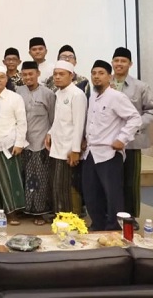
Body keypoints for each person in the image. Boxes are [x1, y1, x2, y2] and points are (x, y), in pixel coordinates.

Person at [83, 60, 141, 231]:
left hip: (109, 153)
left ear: (110, 76)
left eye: (101, 73)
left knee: (112, 195)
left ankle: (114, 227)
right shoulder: (93, 96)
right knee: (91, 193)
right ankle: (98, 224)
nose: (96, 76)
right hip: (91, 152)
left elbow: (135, 118)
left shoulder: (116, 97)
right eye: (94, 73)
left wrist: (122, 138)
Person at [111, 47, 153, 220]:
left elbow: (152, 111)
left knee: (130, 182)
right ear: (112, 63)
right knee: (112, 181)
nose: (119, 64)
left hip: (131, 142)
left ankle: (130, 217)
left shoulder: (140, 87)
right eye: (116, 60)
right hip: (109, 142)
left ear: (130, 64)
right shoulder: (104, 84)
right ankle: (113, 214)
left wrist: (135, 127)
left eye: (123, 61)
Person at [15, 61, 55, 224]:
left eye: (31, 74)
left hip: (40, 143)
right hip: (22, 143)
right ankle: (26, 209)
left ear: (38, 73)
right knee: (23, 177)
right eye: (24, 74)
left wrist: (50, 137)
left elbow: (53, 119)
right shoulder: (18, 91)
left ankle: (39, 212)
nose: (27, 77)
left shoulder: (48, 94)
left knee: (39, 178)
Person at [45, 60, 87, 214]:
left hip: (69, 148)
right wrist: (50, 133)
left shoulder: (77, 94)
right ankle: (60, 217)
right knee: (57, 185)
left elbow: (79, 124)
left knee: (68, 187)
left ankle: (72, 219)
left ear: (71, 75)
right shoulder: (58, 93)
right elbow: (58, 120)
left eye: (61, 74)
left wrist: (75, 149)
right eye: (55, 74)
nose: (57, 77)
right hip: (57, 146)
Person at [0, 65, 28, 225]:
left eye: (2, 77)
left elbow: (22, 122)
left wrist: (19, 143)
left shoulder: (14, 98)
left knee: (11, 180)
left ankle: (13, 213)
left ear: (6, 79)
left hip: (9, 145)